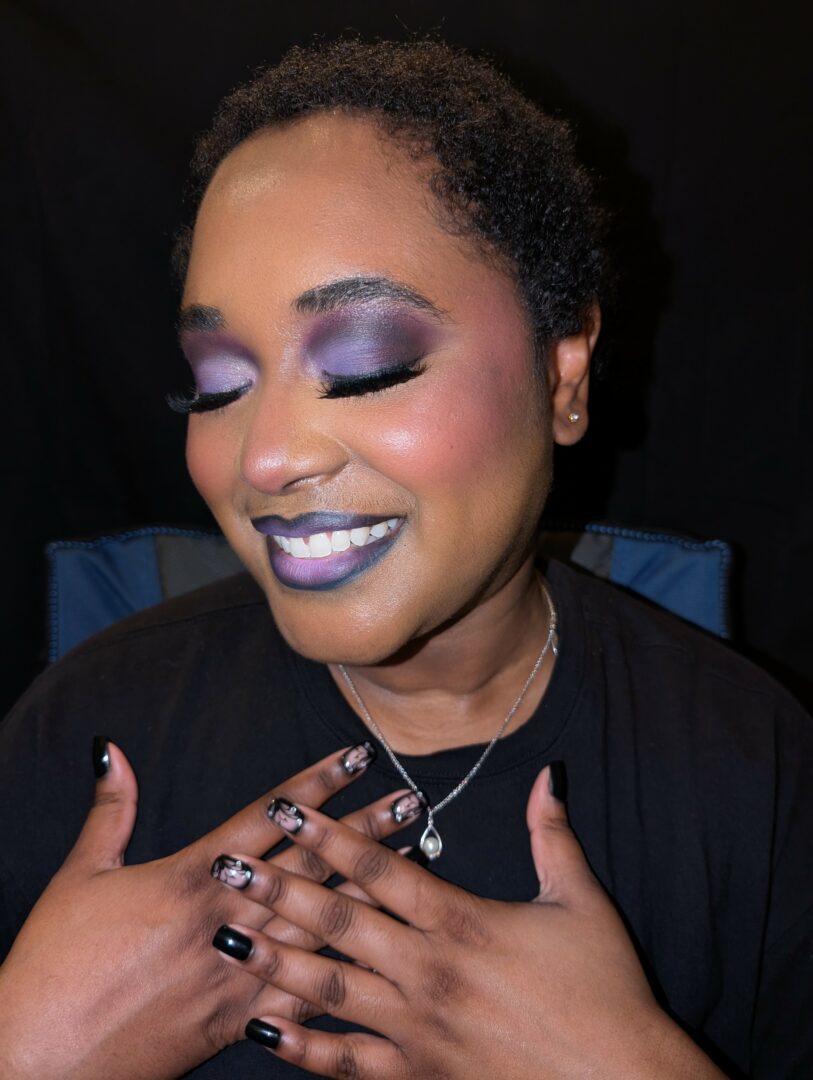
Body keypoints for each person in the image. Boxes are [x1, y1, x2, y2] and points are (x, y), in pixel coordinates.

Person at [0, 38, 810, 1080]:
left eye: (365, 365)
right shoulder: (81, 731)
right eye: (218, 382)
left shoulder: (756, 772)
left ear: (563, 376)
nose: (266, 457)